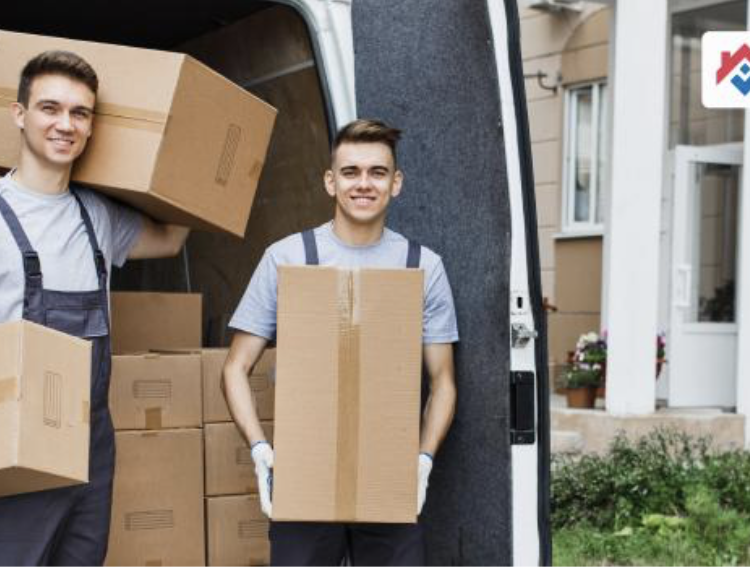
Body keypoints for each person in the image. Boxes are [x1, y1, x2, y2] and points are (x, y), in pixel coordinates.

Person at [223, 118, 458, 566]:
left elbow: (443, 380)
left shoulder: (422, 266)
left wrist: (423, 458)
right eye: (350, 172)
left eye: (377, 172)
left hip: (387, 476)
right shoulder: (287, 258)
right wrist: (260, 449)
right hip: (304, 474)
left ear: (397, 182)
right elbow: (235, 367)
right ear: (331, 182)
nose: (363, 184)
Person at [0, 50, 190, 565]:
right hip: (16, 437)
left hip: (92, 438)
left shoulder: (97, 215)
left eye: (80, 113)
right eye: (50, 108)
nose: (66, 125)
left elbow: (170, 238)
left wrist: (190, 150)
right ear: (19, 114)